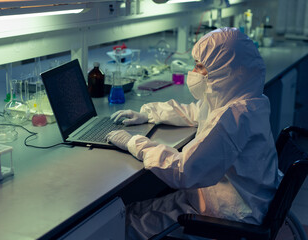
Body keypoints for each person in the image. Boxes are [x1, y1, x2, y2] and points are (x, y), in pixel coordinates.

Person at [106, 27, 282, 240]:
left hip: (227, 216)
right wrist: (149, 113)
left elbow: (184, 171)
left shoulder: (233, 117)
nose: (194, 72)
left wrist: (134, 143)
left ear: (223, 70)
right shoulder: (247, 100)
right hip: (232, 199)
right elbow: (196, 111)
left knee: (122, 226)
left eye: (200, 67)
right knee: (130, 212)